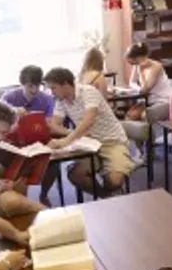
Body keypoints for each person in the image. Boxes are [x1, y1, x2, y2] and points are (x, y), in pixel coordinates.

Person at [44, 67, 135, 197]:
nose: (51, 92)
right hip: (89, 144)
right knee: (76, 175)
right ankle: (107, 197)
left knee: (114, 181)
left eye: (53, 88)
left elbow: (88, 120)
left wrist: (66, 140)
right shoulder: (61, 100)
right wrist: (72, 133)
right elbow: (54, 125)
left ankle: (110, 187)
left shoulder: (88, 92)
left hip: (112, 141)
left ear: (65, 84)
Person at [2, 66, 59, 205]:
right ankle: (22, 201)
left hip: (39, 141)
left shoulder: (46, 99)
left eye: (37, 86)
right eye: (29, 86)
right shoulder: (9, 97)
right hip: (15, 144)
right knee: (20, 168)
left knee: (54, 165)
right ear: (22, 84)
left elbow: (50, 124)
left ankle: (44, 194)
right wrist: (13, 112)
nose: (34, 90)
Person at [124, 42, 172, 121]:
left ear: (142, 57)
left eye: (135, 60)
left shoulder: (156, 67)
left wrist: (140, 71)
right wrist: (138, 89)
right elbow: (131, 82)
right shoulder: (137, 65)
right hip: (148, 100)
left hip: (162, 100)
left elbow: (145, 89)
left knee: (143, 116)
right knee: (130, 115)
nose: (135, 64)